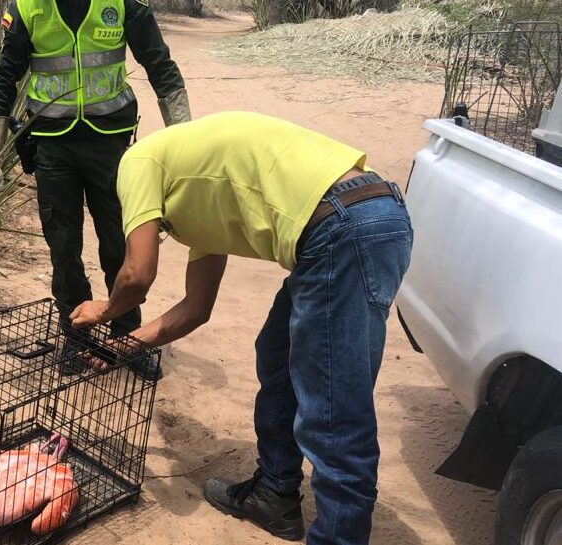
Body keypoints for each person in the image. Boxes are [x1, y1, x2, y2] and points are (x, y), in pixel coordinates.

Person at [71, 111, 413, 545]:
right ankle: (274, 494)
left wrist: (104, 311)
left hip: (344, 224)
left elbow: (137, 275)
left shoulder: (136, 162)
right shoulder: (195, 201)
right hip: (353, 220)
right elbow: (196, 308)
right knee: (277, 353)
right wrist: (121, 348)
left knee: (334, 409)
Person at [0, 0, 191, 375]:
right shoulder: (26, 3)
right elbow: (2, 80)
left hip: (110, 144)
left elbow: (161, 67)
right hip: (51, 147)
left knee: (120, 242)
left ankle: (126, 336)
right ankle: (76, 335)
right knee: (63, 247)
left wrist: (185, 143)